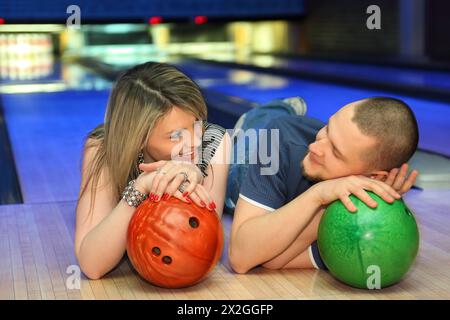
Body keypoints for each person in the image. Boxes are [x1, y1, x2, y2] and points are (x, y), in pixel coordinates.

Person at [75, 62, 230, 280]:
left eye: (196, 124)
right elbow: (92, 265)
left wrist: (191, 181)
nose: (195, 142)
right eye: (176, 136)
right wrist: (140, 187)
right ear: (138, 139)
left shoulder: (213, 141)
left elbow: (202, 249)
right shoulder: (102, 148)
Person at [228, 97, 419, 273]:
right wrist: (318, 193)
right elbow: (241, 258)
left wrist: (325, 204)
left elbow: (271, 261)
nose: (315, 147)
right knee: (243, 155)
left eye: (336, 152)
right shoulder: (281, 138)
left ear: (373, 176)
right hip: (259, 153)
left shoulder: (361, 217)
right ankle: (278, 107)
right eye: (328, 128)